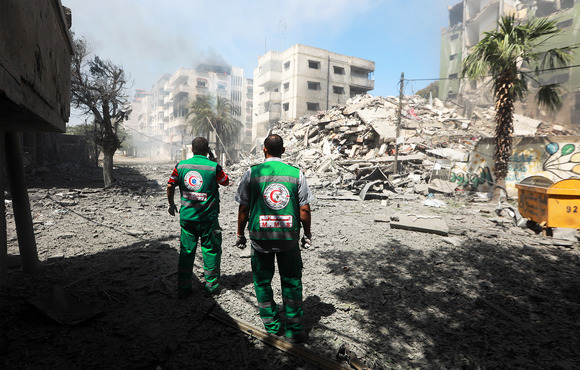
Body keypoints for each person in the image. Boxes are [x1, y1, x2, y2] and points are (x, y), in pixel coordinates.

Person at [235, 134, 313, 343]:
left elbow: (243, 207)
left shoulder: (252, 173)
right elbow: (304, 210)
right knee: (292, 282)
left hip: (260, 239)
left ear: (264, 149)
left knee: (262, 281)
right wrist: (307, 234)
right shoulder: (296, 174)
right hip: (288, 239)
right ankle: (294, 330)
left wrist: (240, 234)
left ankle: (271, 325)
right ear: (284, 150)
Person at [167, 137, 229, 298]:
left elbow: (170, 185)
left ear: (192, 149)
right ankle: (212, 286)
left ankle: (184, 287)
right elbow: (225, 181)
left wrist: (171, 204)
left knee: (186, 252)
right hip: (208, 218)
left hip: (187, 217)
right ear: (207, 149)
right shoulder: (214, 167)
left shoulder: (180, 166)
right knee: (211, 250)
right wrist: (215, 161)